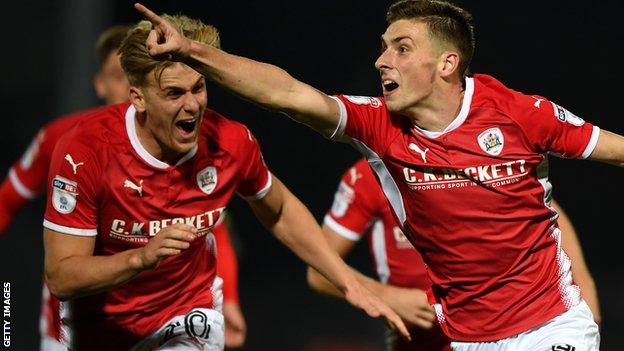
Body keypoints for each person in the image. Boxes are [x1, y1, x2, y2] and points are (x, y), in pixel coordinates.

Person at [134, 0, 624, 349]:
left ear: (447, 63)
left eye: (401, 48)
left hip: (553, 326)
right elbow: (285, 93)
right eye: (384, 48)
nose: (382, 60)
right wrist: (194, 52)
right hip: (467, 338)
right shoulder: (378, 126)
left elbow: (614, 152)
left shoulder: (521, 113)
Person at [42, 14, 407, 351]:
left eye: (198, 88)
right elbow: (62, 276)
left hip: (187, 316)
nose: (192, 106)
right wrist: (142, 257)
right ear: (137, 97)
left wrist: (346, 280)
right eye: (174, 93)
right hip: (98, 328)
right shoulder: (85, 150)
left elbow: (278, 209)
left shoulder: (229, 141)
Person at [0, 25, 246, 350]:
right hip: (77, 324)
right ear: (100, 85)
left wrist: (229, 298)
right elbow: (6, 203)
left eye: (135, 74)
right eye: (119, 75)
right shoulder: (64, 140)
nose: (129, 83)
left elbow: (212, 228)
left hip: (163, 317)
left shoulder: (184, 148)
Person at [307, 158, 602, 350]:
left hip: (499, 328)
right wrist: (389, 296)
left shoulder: (474, 156)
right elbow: (319, 270)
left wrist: (584, 287)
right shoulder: (368, 176)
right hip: (418, 340)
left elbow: (545, 210)